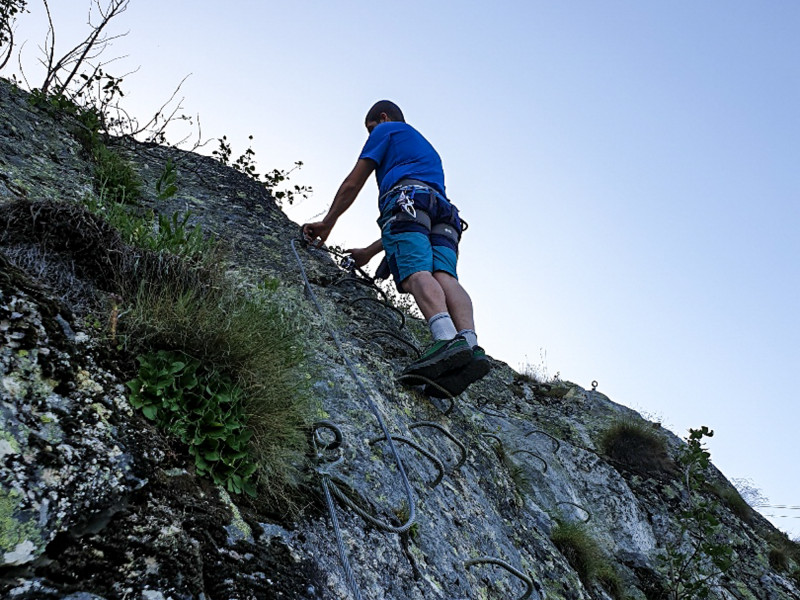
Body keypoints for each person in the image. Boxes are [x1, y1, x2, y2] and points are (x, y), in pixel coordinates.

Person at [302, 100, 490, 396]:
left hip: (406, 198)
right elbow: (414, 227)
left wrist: (328, 222)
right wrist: (370, 251)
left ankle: (445, 339)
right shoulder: (423, 148)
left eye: (369, 129)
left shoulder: (386, 130)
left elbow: (354, 182)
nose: (369, 135)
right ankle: (469, 344)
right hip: (444, 212)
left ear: (383, 117)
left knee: (415, 272)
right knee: (445, 277)